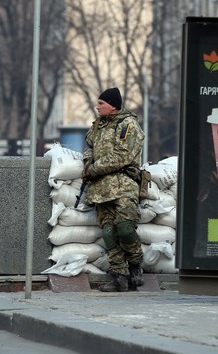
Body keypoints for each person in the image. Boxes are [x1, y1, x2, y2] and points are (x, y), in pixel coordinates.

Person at [82, 87, 145, 292]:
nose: (97, 107)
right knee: (109, 233)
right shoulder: (97, 126)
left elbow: (122, 156)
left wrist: (93, 168)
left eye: (101, 103)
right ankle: (120, 276)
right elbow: (88, 146)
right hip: (100, 189)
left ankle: (135, 266)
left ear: (113, 106)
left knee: (125, 228)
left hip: (124, 185)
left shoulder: (128, 125)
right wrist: (87, 162)